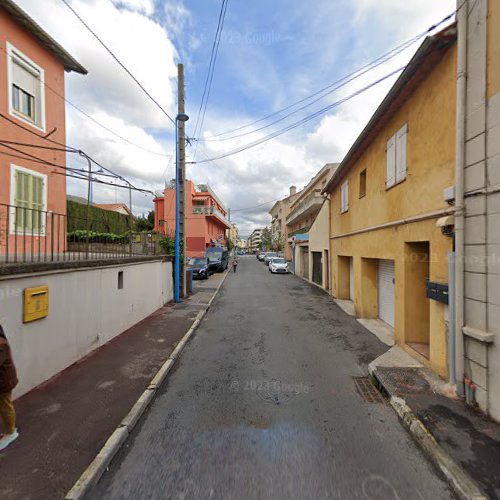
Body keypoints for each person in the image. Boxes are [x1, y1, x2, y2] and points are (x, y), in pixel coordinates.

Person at [0, 325, 19, 451]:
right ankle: (9, 429)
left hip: (4, 382)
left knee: (5, 405)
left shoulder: (1, 344)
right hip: (3, 380)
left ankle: (11, 433)